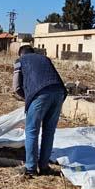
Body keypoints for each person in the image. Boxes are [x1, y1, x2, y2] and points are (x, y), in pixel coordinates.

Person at [13, 45, 67, 177]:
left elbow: (16, 87)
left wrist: (28, 98)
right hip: (59, 92)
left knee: (32, 130)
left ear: (21, 54)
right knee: (49, 131)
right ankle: (44, 167)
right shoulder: (45, 59)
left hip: (40, 94)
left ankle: (30, 168)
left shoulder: (20, 61)